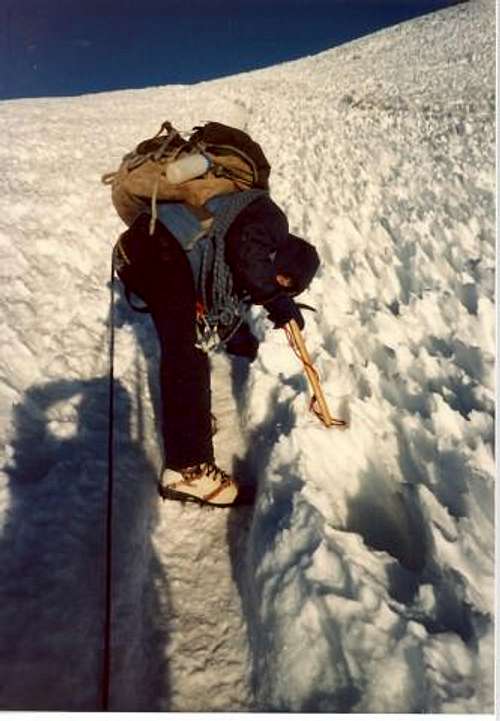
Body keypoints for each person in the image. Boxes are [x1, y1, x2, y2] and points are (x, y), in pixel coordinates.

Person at [113, 190, 320, 507]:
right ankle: (187, 470)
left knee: (187, 342)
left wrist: (246, 344)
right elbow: (247, 257)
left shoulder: (249, 232)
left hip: (152, 248)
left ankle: (189, 424)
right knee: (187, 351)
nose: (278, 283)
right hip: (159, 250)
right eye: (284, 279)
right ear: (286, 255)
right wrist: (278, 301)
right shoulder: (272, 221)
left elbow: (230, 296)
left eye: (287, 286)